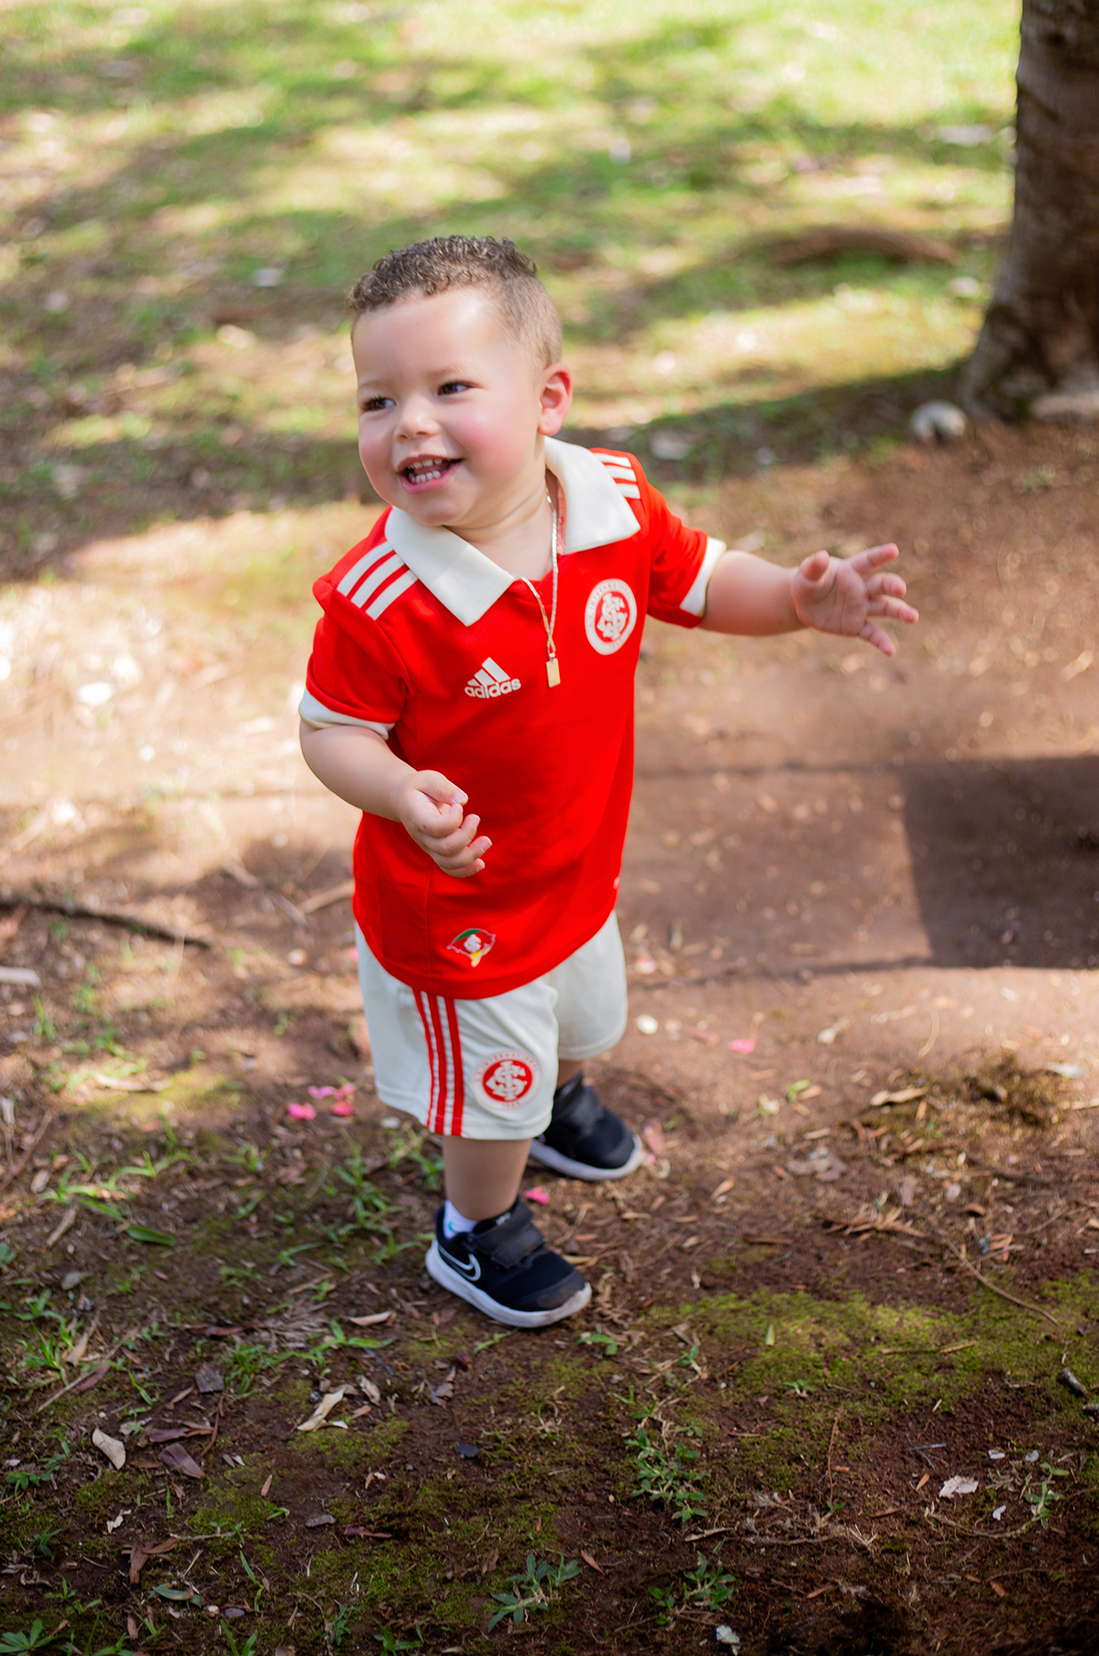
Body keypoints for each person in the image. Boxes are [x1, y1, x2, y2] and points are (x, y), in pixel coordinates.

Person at [298, 235, 917, 1330]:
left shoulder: (611, 500)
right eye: (377, 400)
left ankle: (553, 1093)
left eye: (449, 388)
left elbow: (705, 577)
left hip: (575, 870)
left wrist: (796, 601)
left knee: (587, 1019)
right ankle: (474, 1230)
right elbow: (332, 733)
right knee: (488, 1101)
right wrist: (398, 793)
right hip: (461, 912)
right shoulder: (381, 595)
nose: (411, 425)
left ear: (549, 400)